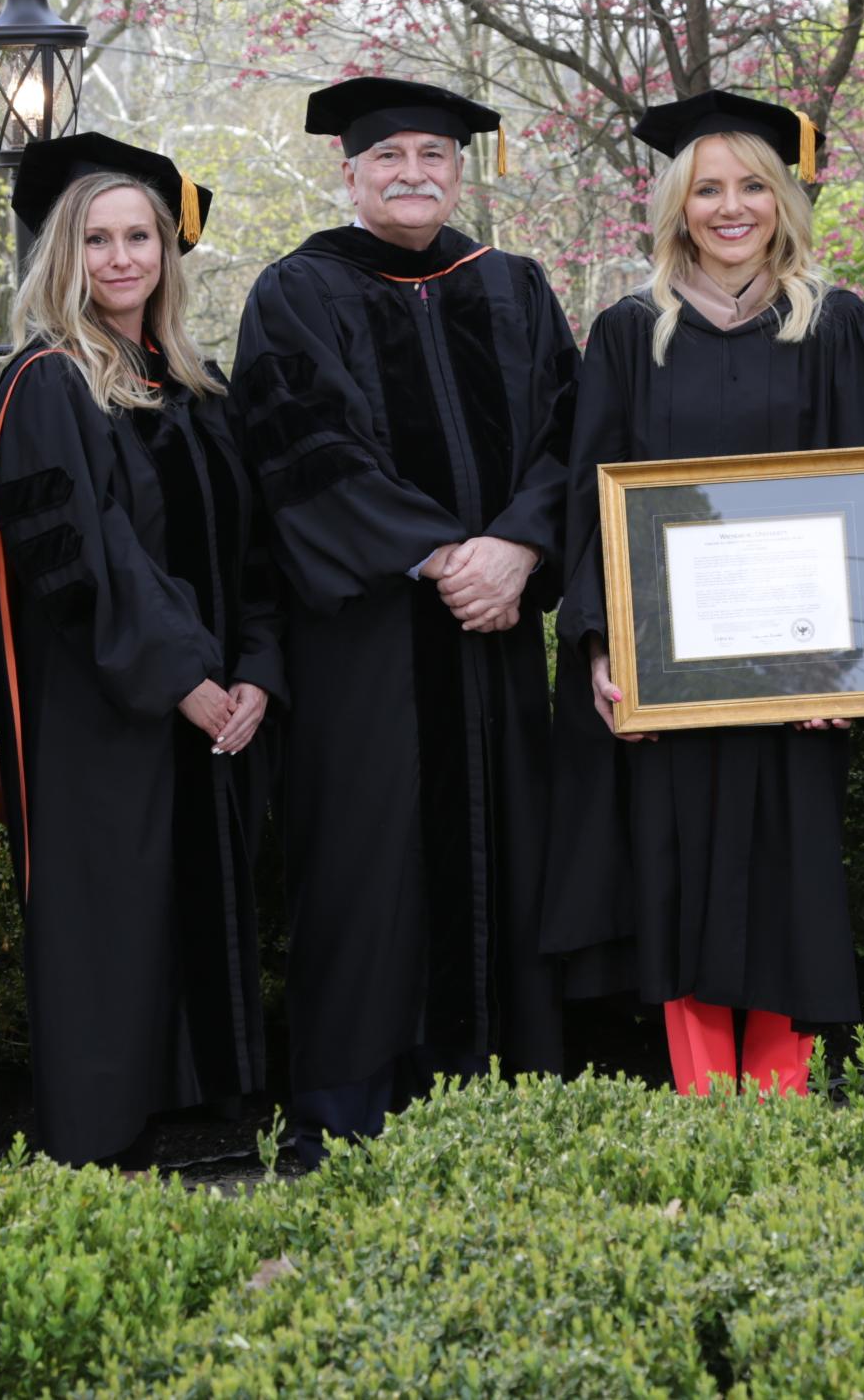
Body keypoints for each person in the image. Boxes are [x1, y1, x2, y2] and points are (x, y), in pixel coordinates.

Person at [539, 90, 864, 1098]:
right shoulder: (628, 333)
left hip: (797, 673)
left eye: (751, 184)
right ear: (676, 203)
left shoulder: (835, 324)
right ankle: (703, 1094)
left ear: (783, 199)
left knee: (789, 870)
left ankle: (780, 1096)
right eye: (706, 187)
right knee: (675, 872)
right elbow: (592, 505)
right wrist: (602, 651)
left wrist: (850, 664)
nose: (730, 206)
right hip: (674, 672)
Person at [230, 76, 578, 1161]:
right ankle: (351, 1110)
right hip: (369, 646)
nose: (414, 172)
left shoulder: (515, 286)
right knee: (365, 866)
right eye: (390, 157)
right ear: (350, 171)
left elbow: (574, 434)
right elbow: (303, 453)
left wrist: (519, 543)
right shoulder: (296, 292)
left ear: (459, 169)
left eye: (434, 154)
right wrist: (437, 554)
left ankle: (512, 1095)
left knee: (510, 850)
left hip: (499, 633)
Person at [0, 133, 282, 1166]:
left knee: (196, 903)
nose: (121, 257)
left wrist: (252, 672)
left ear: (167, 249)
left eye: (139, 236)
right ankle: (103, 1140)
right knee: (111, 913)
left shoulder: (195, 384)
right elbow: (81, 562)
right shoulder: (47, 382)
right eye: (97, 238)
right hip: (102, 710)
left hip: (210, 705)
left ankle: (200, 1111)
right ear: (64, 254)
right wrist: (185, 682)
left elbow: (252, 549)